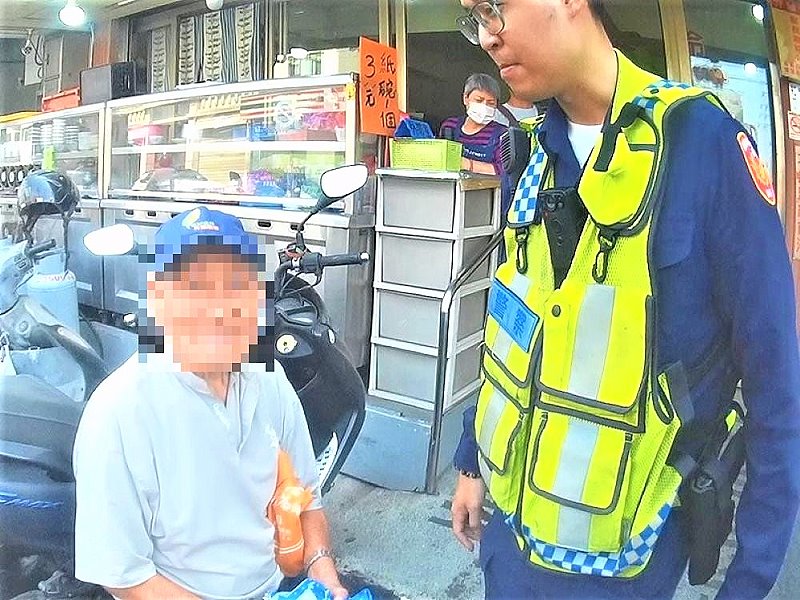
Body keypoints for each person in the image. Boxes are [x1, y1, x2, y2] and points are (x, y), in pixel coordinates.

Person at [450, 2, 800, 600]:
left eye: (493, 7)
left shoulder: (702, 143)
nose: (485, 36)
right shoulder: (530, 156)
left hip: (625, 566)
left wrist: (749, 578)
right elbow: (514, 328)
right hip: (510, 543)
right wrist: (469, 460)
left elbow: (775, 380)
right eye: (472, 17)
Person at [72, 207, 347, 600]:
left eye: (233, 287)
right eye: (193, 290)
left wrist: (323, 569)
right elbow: (125, 577)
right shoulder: (118, 412)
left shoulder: (269, 379)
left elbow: (307, 498)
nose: (216, 309)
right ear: (159, 302)